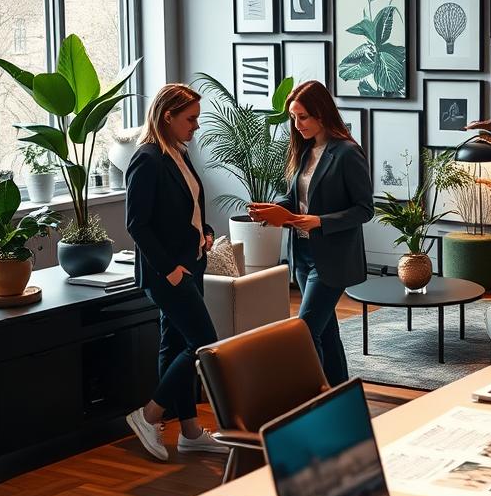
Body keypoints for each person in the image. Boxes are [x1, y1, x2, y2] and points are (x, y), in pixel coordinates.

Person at [249, 80, 373, 386]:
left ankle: (313, 397)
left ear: (321, 113)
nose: (297, 124)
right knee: (326, 331)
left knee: (304, 331)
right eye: (293, 117)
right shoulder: (306, 151)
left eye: (302, 117)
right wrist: (274, 210)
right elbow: (296, 199)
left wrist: (319, 221)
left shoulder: (347, 153)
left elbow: (364, 209)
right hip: (302, 256)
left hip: (331, 258)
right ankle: (340, 394)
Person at [124, 83, 225, 460]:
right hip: (168, 273)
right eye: (190, 119)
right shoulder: (147, 159)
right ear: (168, 116)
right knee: (204, 342)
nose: (196, 126)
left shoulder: (178, 153)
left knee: (175, 344)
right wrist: (169, 270)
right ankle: (148, 416)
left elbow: (189, 209)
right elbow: (137, 224)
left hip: (192, 264)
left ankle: (190, 432)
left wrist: (206, 232)